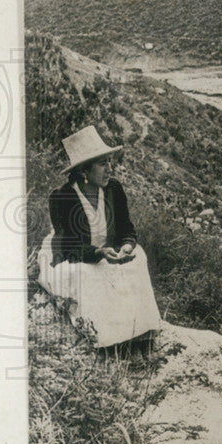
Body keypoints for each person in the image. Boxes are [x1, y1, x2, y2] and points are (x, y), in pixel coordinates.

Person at [37, 125, 162, 348]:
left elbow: (127, 228)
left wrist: (126, 245)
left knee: (138, 256)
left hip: (107, 253)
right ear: (84, 171)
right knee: (87, 273)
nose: (109, 169)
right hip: (75, 257)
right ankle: (108, 338)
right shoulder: (62, 197)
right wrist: (99, 253)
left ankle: (139, 330)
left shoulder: (113, 189)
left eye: (109, 162)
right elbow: (69, 249)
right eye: (103, 164)